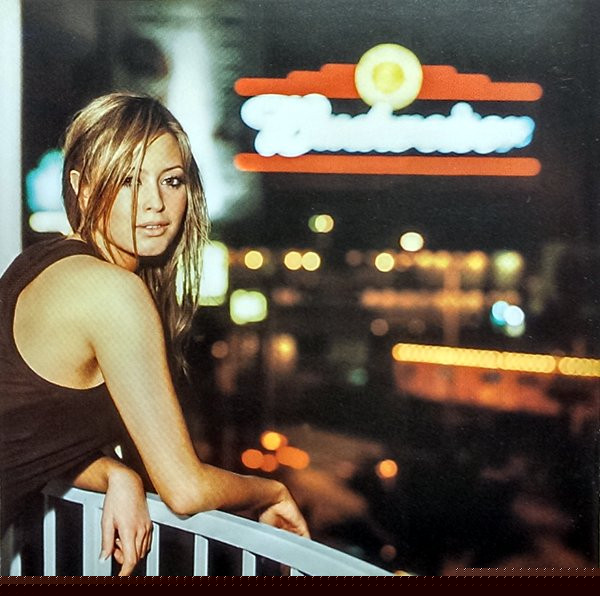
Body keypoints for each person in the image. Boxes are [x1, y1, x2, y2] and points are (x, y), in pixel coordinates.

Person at [0, 92, 308, 576]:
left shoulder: (37, 263)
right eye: (128, 179)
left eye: (171, 180)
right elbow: (185, 490)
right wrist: (272, 492)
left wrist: (114, 472)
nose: (155, 203)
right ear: (82, 188)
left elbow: (20, 432)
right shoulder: (113, 293)